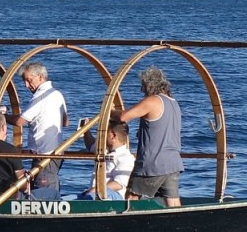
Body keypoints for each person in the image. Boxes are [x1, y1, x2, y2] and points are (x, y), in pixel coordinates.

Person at [113, 67, 184, 207]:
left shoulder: (152, 101)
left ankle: (127, 225)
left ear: (149, 85)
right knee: (173, 203)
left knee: (131, 197)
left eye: (143, 86)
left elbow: (124, 117)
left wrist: (110, 113)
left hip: (153, 163)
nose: (142, 90)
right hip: (173, 162)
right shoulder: (174, 103)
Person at [5, 61, 67, 194]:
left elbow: (20, 122)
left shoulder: (39, 97)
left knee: (43, 192)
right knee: (49, 186)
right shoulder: (57, 94)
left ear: (40, 77)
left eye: (29, 80)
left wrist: (3, 116)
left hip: (44, 154)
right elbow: (66, 121)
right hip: (56, 152)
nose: (26, 85)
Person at [75, 120, 134, 200]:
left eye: (103, 133)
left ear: (113, 136)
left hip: (113, 195)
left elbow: (118, 184)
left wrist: (96, 189)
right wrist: (86, 130)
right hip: (94, 192)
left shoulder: (126, 157)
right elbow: (91, 145)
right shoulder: (103, 151)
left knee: (90, 197)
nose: (100, 136)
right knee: (64, 199)